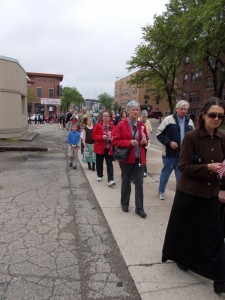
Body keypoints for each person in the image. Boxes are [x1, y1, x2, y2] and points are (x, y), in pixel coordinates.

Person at [162, 97, 225, 294]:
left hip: (211, 194)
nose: (216, 119)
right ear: (204, 115)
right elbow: (184, 167)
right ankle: (182, 257)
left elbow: (223, 167)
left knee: (215, 235)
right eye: (213, 115)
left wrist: (223, 186)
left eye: (221, 116)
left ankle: (220, 279)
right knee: (186, 230)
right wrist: (207, 167)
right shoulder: (191, 137)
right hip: (189, 192)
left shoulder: (223, 138)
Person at [112, 100, 148, 218]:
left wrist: (144, 141)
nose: (135, 111)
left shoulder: (142, 125)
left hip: (139, 159)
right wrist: (128, 142)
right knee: (126, 182)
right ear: (128, 111)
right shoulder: (121, 124)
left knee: (139, 184)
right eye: (133, 109)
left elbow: (146, 139)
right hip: (127, 159)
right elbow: (115, 141)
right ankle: (125, 203)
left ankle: (139, 208)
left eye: (137, 109)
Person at [156, 100, 194, 200]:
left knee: (181, 177)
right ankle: (161, 191)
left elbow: (194, 138)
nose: (183, 111)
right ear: (176, 109)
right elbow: (159, 134)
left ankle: (180, 195)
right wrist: (169, 143)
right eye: (181, 109)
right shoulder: (169, 119)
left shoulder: (189, 121)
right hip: (169, 154)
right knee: (166, 174)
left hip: (183, 155)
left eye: (185, 109)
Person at [92, 110, 115, 186]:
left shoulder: (112, 126)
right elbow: (94, 136)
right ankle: (99, 175)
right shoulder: (98, 126)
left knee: (109, 164)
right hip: (99, 147)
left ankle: (111, 179)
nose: (104, 117)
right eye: (103, 116)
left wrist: (113, 138)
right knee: (99, 163)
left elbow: (116, 136)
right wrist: (101, 137)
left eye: (106, 116)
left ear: (110, 117)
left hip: (109, 148)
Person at [139, 110, 152, 177]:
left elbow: (150, 130)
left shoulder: (148, 122)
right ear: (141, 116)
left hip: (145, 143)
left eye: (146, 117)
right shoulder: (138, 121)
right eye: (143, 117)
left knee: (143, 156)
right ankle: (138, 170)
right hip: (138, 143)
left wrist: (148, 135)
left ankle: (144, 170)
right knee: (138, 157)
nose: (144, 118)